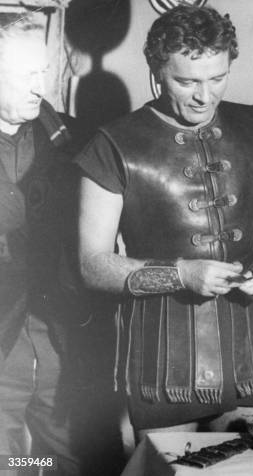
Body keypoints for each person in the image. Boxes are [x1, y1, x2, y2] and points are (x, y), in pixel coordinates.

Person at [75, 5, 253, 437]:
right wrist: (181, 274)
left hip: (249, 358)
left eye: (217, 78)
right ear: (156, 71)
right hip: (161, 365)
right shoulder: (112, 145)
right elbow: (91, 265)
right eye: (186, 81)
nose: (204, 96)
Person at [0, 13, 85, 475]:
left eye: (43, 74)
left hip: (59, 331)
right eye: (24, 76)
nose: (40, 88)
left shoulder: (74, 138)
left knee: (69, 458)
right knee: (7, 462)